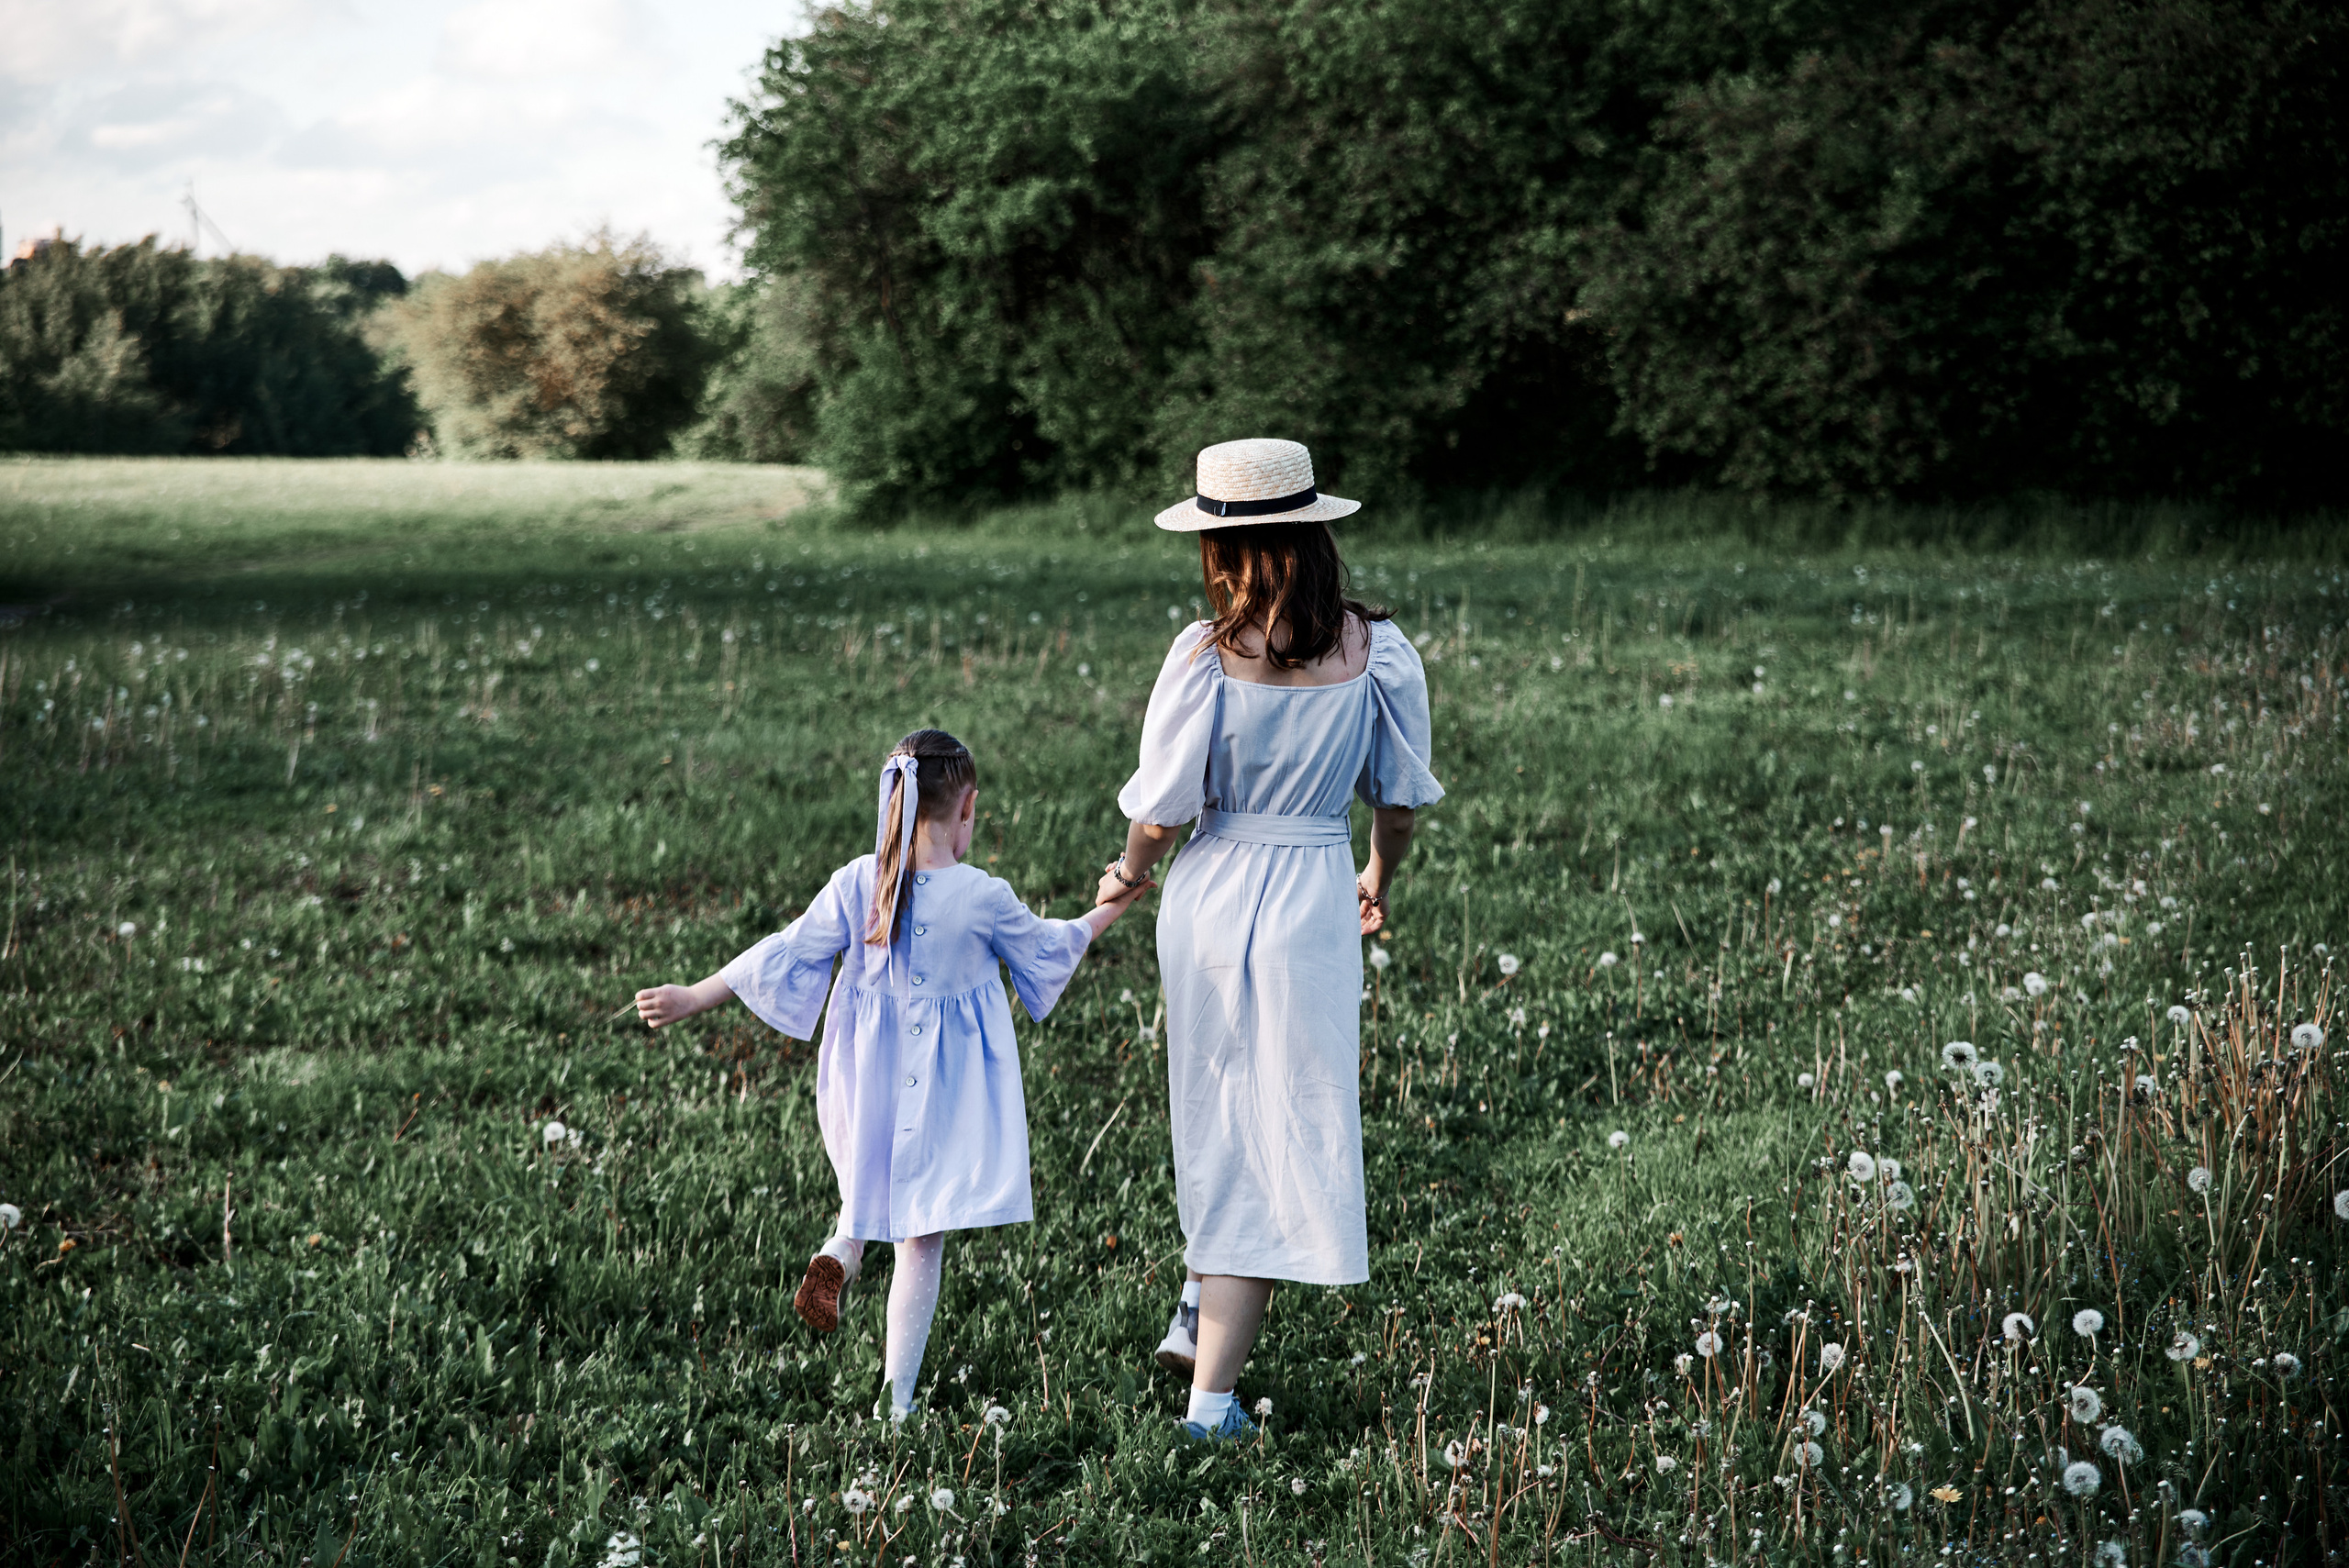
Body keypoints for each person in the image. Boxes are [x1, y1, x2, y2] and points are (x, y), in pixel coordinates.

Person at [636, 728, 1152, 1422]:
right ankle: (897, 1400)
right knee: (921, 1235)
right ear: (966, 808)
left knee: (866, 1185)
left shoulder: (858, 882)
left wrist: (693, 996)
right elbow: (1053, 946)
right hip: (939, 1090)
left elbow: (784, 952)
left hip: (864, 1076)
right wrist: (1118, 899)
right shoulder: (982, 895)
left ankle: (842, 1248)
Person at [1099, 438, 1442, 1441]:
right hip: (1310, 892)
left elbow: (1161, 812)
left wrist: (1128, 871)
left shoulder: (1204, 654)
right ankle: (1211, 1401)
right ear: (1316, 533)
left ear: (1221, 549)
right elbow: (1397, 803)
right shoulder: (1376, 651)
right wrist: (1377, 874)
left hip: (1211, 889)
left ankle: (1199, 1314)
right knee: (1277, 1119)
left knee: (1218, 1103)